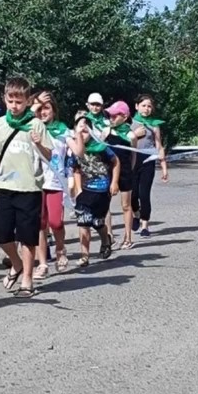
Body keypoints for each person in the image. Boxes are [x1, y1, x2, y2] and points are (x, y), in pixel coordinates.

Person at [0, 78, 53, 299]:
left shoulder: (36, 124)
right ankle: (16, 262)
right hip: (5, 186)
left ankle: (27, 281)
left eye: (19, 101)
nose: (14, 106)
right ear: (4, 99)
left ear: (28, 101)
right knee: (1, 233)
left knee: (28, 236)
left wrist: (39, 142)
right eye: (10, 100)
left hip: (29, 188)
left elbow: (49, 155)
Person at [69, 114, 118, 267]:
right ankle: (85, 255)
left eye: (85, 130)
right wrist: (78, 190)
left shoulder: (101, 147)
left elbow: (116, 162)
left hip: (103, 189)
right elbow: (76, 170)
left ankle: (105, 239)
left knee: (97, 222)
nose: (82, 133)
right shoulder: (76, 151)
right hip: (86, 190)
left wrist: (114, 182)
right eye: (79, 130)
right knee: (83, 221)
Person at [35, 93, 72, 276]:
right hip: (35, 181)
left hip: (56, 181)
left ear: (54, 110)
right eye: (39, 108)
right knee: (40, 224)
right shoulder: (30, 129)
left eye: (46, 108)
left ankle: (60, 250)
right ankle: (42, 263)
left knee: (56, 222)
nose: (43, 112)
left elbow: (77, 149)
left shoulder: (63, 130)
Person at [131, 94, 169, 237]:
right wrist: (134, 134)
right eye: (143, 105)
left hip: (148, 160)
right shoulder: (130, 122)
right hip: (133, 160)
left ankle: (145, 225)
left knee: (144, 194)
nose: (146, 109)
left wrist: (164, 167)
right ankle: (136, 214)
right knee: (133, 195)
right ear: (137, 106)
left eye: (149, 106)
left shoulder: (154, 125)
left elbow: (159, 146)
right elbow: (123, 141)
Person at [102, 101, 137, 249]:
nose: (111, 118)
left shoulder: (131, 135)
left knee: (126, 205)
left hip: (125, 173)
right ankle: (109, 235)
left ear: (124, 116)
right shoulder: (107, 131)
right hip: (108, 171)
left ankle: (128, 237)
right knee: (105, 205)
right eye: (109, 115)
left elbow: (134, 156)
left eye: (114, 115)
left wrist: (130, 170)